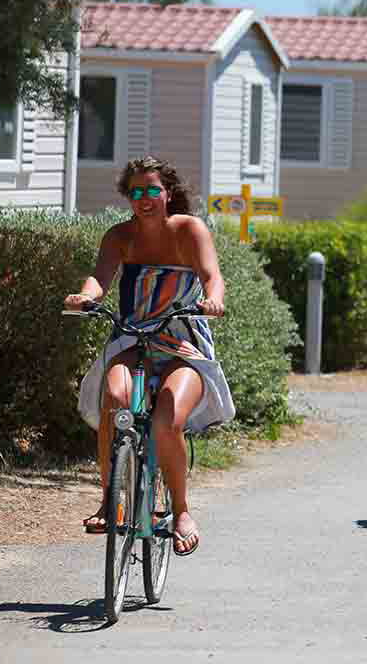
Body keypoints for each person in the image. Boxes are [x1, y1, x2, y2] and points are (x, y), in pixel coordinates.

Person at [64, 156, 234, 557]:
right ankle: (110, 500)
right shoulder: (119, 237)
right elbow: (100, 279)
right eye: (136, 191)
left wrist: (214, 300)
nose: (144, 198)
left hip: (182, 341)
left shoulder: (189, 230)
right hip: (133, 337)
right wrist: (86, 297)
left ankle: (182, 513)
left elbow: (212, 276)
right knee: (116, 399)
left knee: (166, 421)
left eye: (152, 190)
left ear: (167, 193)